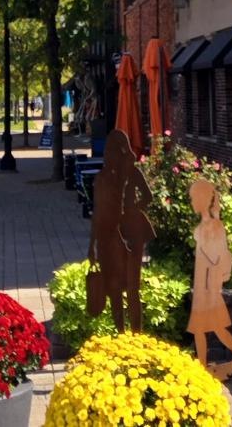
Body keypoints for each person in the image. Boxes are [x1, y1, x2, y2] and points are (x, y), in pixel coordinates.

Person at [85, 130, 154, 332]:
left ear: (122, 152)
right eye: (107, 152)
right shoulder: (102, 178)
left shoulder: (132, 173)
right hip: (108, 235)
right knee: (113, 288)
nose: (109, 156)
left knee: (133, 288)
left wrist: (132, 209)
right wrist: (92, 246)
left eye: (113, 151)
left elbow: (148, 197)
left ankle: (136, 335)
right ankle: (121, 335)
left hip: (132, 231)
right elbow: (97, 213)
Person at [187, 179, 232, 380]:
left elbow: (217, 255)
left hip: (209, 286)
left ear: (203, 200)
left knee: (212, 326)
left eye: (194, 198)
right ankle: (202, 366)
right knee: (200, 328)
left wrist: (204, 239)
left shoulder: (215, 226)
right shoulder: (205, 226)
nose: (192, 202)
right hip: (201, 284)